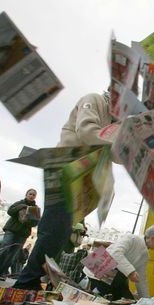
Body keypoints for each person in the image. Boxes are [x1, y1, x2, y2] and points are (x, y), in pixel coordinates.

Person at [13, 92, 113, 290]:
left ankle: (33, 281)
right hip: (66, 167)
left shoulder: (113, 120)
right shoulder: (94, 100)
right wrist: (115, 140)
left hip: (82, 177)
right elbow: (86, 131)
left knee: (59, 234)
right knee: (53, 229)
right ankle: (25, 284)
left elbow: (114, 154)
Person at [85, 226, 154, 300]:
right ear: (152, 238)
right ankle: (95, 294)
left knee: (128, 301)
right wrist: (131, 272)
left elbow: (141, 279)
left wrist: (146, 301)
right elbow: (116, 254)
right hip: (96, 266)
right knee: (116, 298)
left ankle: (97, 294)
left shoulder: (145, 255)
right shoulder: (131, 237)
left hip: (109, 273)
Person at [0, 189, 39, 280]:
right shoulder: (19, 203)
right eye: (30, 194)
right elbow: (10, 211)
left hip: (23, 234)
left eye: (33, 195)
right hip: (11, 230)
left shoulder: (36, 209)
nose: (31, 196)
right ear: (26, 194)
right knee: (5, 248)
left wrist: (27, 220)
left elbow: (35, 222)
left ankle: (3, 273)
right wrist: (22, 207)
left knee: (13, 254)